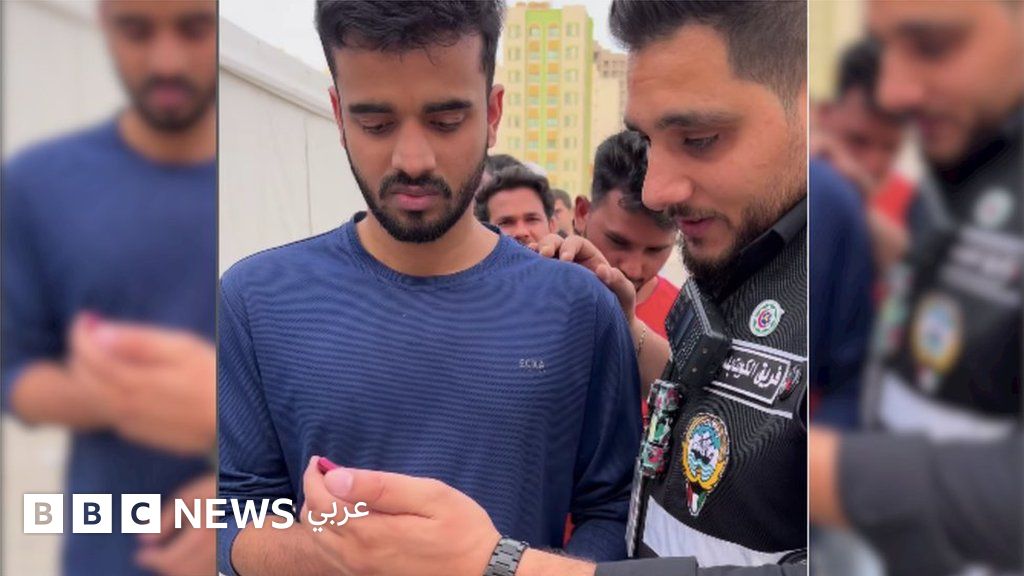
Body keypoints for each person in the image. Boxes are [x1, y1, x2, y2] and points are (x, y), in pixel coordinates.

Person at [299, 1, 809, 574]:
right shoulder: (746, 260)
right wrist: (629, 336)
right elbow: (736, 416)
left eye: (699, 138)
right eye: (648, 141)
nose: (657, 190)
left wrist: (501, 564)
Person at [217, 2, 641, 574]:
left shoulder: (578, 308)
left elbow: (614, 511)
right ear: (338, 115)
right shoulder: (255, 302)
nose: (412, 160)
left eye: (445, 121)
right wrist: (329, 555)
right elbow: (228, 510)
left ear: (493, 113)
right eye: (376, 124)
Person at [1, 1, 218, 575]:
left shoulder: (278, 203)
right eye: (136, 31)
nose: (167, 62)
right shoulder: (37, 185)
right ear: (103, 22)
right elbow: (14, 368)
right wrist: (127, 397)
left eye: (195, 29)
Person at [811, 1, 1023, 575]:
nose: (896, 91)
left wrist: (811, 469)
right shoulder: (962, 175)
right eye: (888, 49)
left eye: (932, 45)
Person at [814, 38, 911, 273]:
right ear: (824, 115)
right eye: (857, 141)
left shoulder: (910, 201)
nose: (872, 164)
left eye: (889, 148)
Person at [575, 131, 679, 343]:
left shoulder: (682, 324)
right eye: (618, 242)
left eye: (655, 250)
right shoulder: (536, 292)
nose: (633, 269)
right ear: (583, 213)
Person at [474, 165, 558, 245]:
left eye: (532, 219)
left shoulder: (564, 254)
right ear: (484, 230)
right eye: (505, 222)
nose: (521, 232)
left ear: (551, 226)